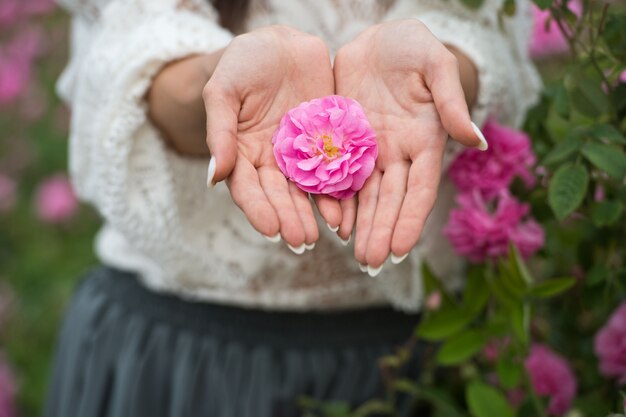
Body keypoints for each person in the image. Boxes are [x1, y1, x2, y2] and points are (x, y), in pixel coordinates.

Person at [45, 0, 541, 416]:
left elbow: (488, 35)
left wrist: (443, 71)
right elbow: (135, 56)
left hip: (411, 356)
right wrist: (219, 81)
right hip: (185, 357)